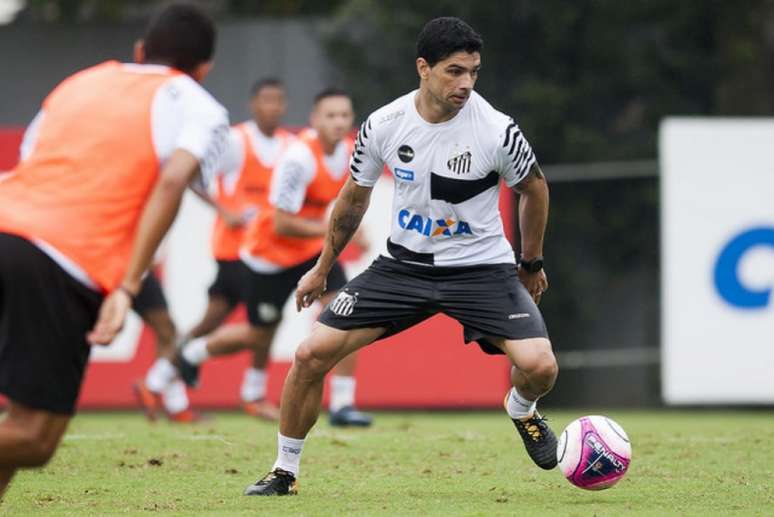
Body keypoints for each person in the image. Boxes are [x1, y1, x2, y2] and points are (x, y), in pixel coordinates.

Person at [244, 17, 558, 497]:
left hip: (481, 272)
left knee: (541, 368)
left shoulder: (497, 129)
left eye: (473, 71)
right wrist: (322, 267)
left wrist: (530, 262)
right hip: (402, 269)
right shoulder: (384, 124)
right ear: (423, 68)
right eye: (454, 71)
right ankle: (284, 471)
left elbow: (533, 188)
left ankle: (520, 409)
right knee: (309, 355)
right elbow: (352, 199)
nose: (466, 83)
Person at [0, 3, 228, 498]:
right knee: (34, 438)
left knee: (16, 425)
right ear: (204, 67)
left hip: (9, 222)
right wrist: (127, 284)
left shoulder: (80, 82)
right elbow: (172, 182)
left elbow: (30, 161)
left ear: (139, 51)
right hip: (58, 258)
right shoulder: (198, 105)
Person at [155, 89, 374, 427]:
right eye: (330, 116)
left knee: (348, 313)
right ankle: (191, 353)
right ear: (314, 120)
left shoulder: (349, 152)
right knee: (259, 337)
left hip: (313, 253)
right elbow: (282, 223)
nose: (338, 122)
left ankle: (343, 405)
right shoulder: (299, 158)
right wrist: (332, 230)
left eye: (344, 116)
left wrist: (350, 231)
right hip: (268, 258)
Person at [135, 78, 293, 421]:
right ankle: (251, 394)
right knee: (264, 322)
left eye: (279, 100)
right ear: (254, 104)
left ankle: (158, 381)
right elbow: (192, 175)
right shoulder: (237, 141)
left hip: (265, 251)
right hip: (236, 251)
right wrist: (225, 211)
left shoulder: (288, 145)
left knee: (214, 321)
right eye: (267, 100)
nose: (274, 107)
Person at [132, 270, 199, 423]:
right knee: (168, 333)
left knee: (167, 333)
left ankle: (176, 406)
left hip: (113, 268)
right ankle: (154, 388)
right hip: (133, 270)